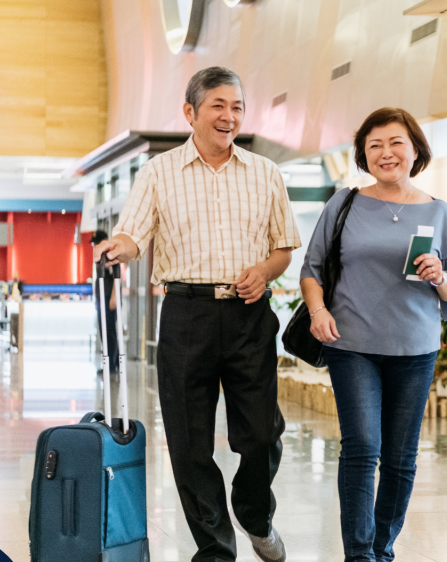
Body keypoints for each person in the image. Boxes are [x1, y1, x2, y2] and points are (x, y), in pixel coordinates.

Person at [93, 66, 300, 562]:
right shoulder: (159, 173)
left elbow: (283, 249)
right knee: (189, 444)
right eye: (218, 106)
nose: (229, 117)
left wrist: (264, 271)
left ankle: (254, 513)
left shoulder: (266, 173)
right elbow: (133, 233)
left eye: (237, 107)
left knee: (263, 434)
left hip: (250, 315)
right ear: (190, 112)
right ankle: (215, 547)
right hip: (187, 317)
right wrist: (117, 247)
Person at [299, 107, 447, 562]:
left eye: (396, 142)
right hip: (351, 344)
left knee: (400, 458)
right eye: (374, 145)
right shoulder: (345, 203)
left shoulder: (439, 212)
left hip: (415, 348)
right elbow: (312, 269)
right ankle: (359, 555)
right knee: (362, 446)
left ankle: (382, 548)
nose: (386, 153)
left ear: (415, 149)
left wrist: (441, 276)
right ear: (363, 155)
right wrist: (317, 311)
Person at [90, 230, 119, 376]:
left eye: (97, 243)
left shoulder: (110, 255)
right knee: (105, 331)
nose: (95, 245)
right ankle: (112, 362)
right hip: (102, 300)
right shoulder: (100, 255)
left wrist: (114, 297)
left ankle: (112, 365)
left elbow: (117, 278)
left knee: (109, 332)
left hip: (109, 300)